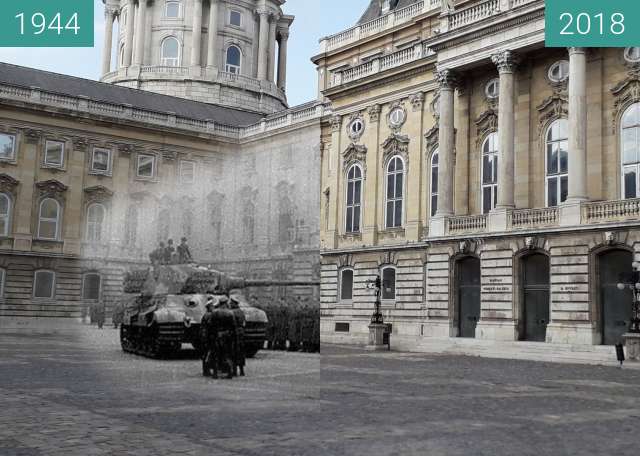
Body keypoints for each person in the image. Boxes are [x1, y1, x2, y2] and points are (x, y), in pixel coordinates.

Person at [211, 296, 237, 379]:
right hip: (227, 336)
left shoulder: (214, 312)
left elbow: (211, 325)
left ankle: (215, 373)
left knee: (216, 354)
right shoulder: (230, 313)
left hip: (217, 335)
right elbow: (233, 326)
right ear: (226, 303)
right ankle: (229, 372)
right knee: (227, 354)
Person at [229, 296, 246, 377]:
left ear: (234, 303)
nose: (230, 304)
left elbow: (231, 323)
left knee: (233, 352)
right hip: (241, 333)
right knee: (241, 352)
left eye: (231, 303)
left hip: (234, 333)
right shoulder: (241, 311)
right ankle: (242, 370)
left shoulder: (232, 312)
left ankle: (234, 371)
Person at [201, 299, 218, 378]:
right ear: (210, 307)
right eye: (212, 306)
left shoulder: (206, 314)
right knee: (209, 353)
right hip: (209, 336)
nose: (213, 308)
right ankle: (207, 370)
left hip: (205, 336)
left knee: (206, 353)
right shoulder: (209, 315)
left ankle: (205, 369)